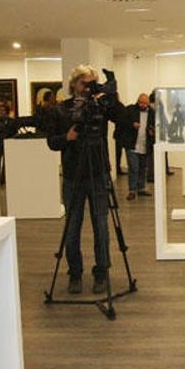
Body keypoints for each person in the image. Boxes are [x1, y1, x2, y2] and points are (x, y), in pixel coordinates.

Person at [46, 65, 122, 295]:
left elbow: (121, 117)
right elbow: (52, 142)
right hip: (73, 176)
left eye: (93, 84)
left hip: (98, 172)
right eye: (85, 83)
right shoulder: (62, 110)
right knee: (72, 226)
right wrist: (66, 137)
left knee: (101, 225)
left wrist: (110, 95)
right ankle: (75, 273)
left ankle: (102, 272)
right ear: (75, 84)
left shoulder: (100, 106)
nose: (88, 88)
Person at [124, 93, 155, 200]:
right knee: (134, 168)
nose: (143, 105)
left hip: (145, 144)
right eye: (141, 103)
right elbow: (122, 123)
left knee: (143, 168)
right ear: (138, 101)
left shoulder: (152, 112)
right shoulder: (130, 110)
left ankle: (141, 188)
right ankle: (132, 190)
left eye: (145, 103)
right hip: (132, 144)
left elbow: (155, 125)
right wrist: (132, 125)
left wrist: (152, 131)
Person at [112, 93, 131, 175]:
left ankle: (117, 168)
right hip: (121, 133)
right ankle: (117, 168)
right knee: (119, 152)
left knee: (118, 152)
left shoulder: (116, 107)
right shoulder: (120, 106)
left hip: (119, 133)